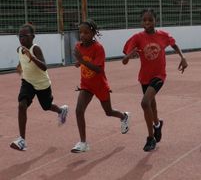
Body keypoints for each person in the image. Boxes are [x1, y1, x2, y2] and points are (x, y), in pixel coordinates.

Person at [122, 9, 188, 152]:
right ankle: (157, 125)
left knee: (145, 102)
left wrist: (182, 57)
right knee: (152, 105)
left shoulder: (163, 36)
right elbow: (124, 61)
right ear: (141, 22)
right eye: (144, 20)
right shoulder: (137, 38)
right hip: (144, 77)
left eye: (150, 20)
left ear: (155, 21)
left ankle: (150, 138)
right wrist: (128, 56)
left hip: (159, 75)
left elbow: (174, 45)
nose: (147, 23)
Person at [71, 19, 130, 153]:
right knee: (79, 110)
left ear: (93, 33)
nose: (82, 35)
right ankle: (83, 143)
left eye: (86, 32)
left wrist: (81, 61)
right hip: (86, 85)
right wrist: (79, 63)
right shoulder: (78, 47)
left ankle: (123, 116)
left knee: (108, 112)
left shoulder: (98, 48)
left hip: (100, 85)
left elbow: (98, 69)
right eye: (80, 32)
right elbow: (84, 61)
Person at [10, 23, 69, 151]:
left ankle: (61, 111)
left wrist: (31, 57)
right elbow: (22, 59)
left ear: (33, 37)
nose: (21, 39)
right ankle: (22, 140)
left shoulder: (35, 49)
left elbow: (44, 66)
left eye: (24, 36)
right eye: (19, 36)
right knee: (21, 105)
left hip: (42, 84)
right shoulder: (20, 49)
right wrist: (19, 67)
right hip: (28, 82)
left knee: (46, 106)